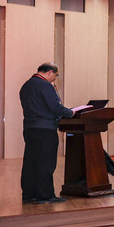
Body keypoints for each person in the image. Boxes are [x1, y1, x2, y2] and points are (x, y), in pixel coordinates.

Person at [19, 62, 74, 204]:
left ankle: (29, 195)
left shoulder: (26, 86)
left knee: (31, 163)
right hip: (45, 129)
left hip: (29, 129)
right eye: (56, 75)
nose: (55, 79)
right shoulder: (45, 85)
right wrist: (71, 113)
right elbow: (55, 107)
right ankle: (45, 195)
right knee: (46, 163)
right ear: (49, 72)